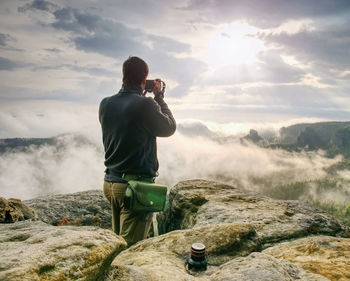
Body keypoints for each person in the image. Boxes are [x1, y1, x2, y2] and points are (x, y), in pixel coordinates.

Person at [99, 56, 176, 246]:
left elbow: (130, 119)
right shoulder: (145, 104)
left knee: (117, 242)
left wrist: (142, 93)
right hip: (134, 188)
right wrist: (158, 97)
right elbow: (169, 128)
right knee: (129, 250)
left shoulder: (105, 103)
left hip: (111, 184)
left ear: (124, 76)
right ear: (144, 79)